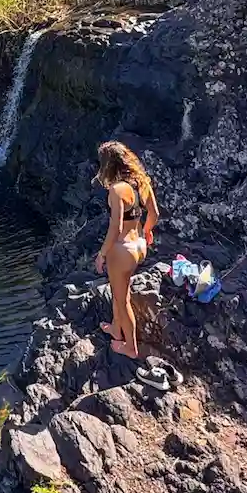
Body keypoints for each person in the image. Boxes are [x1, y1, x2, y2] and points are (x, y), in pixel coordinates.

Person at [92, 140, 159, 359]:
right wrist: (147, 232)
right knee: (119, 291)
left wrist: (102, 253)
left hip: (122, 251)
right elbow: (154, 214)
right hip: (139, 246)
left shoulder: (117, 190)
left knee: (122, 300)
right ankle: (115, 328)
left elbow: (116, 227)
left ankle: (130, 347)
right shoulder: (142, 183)